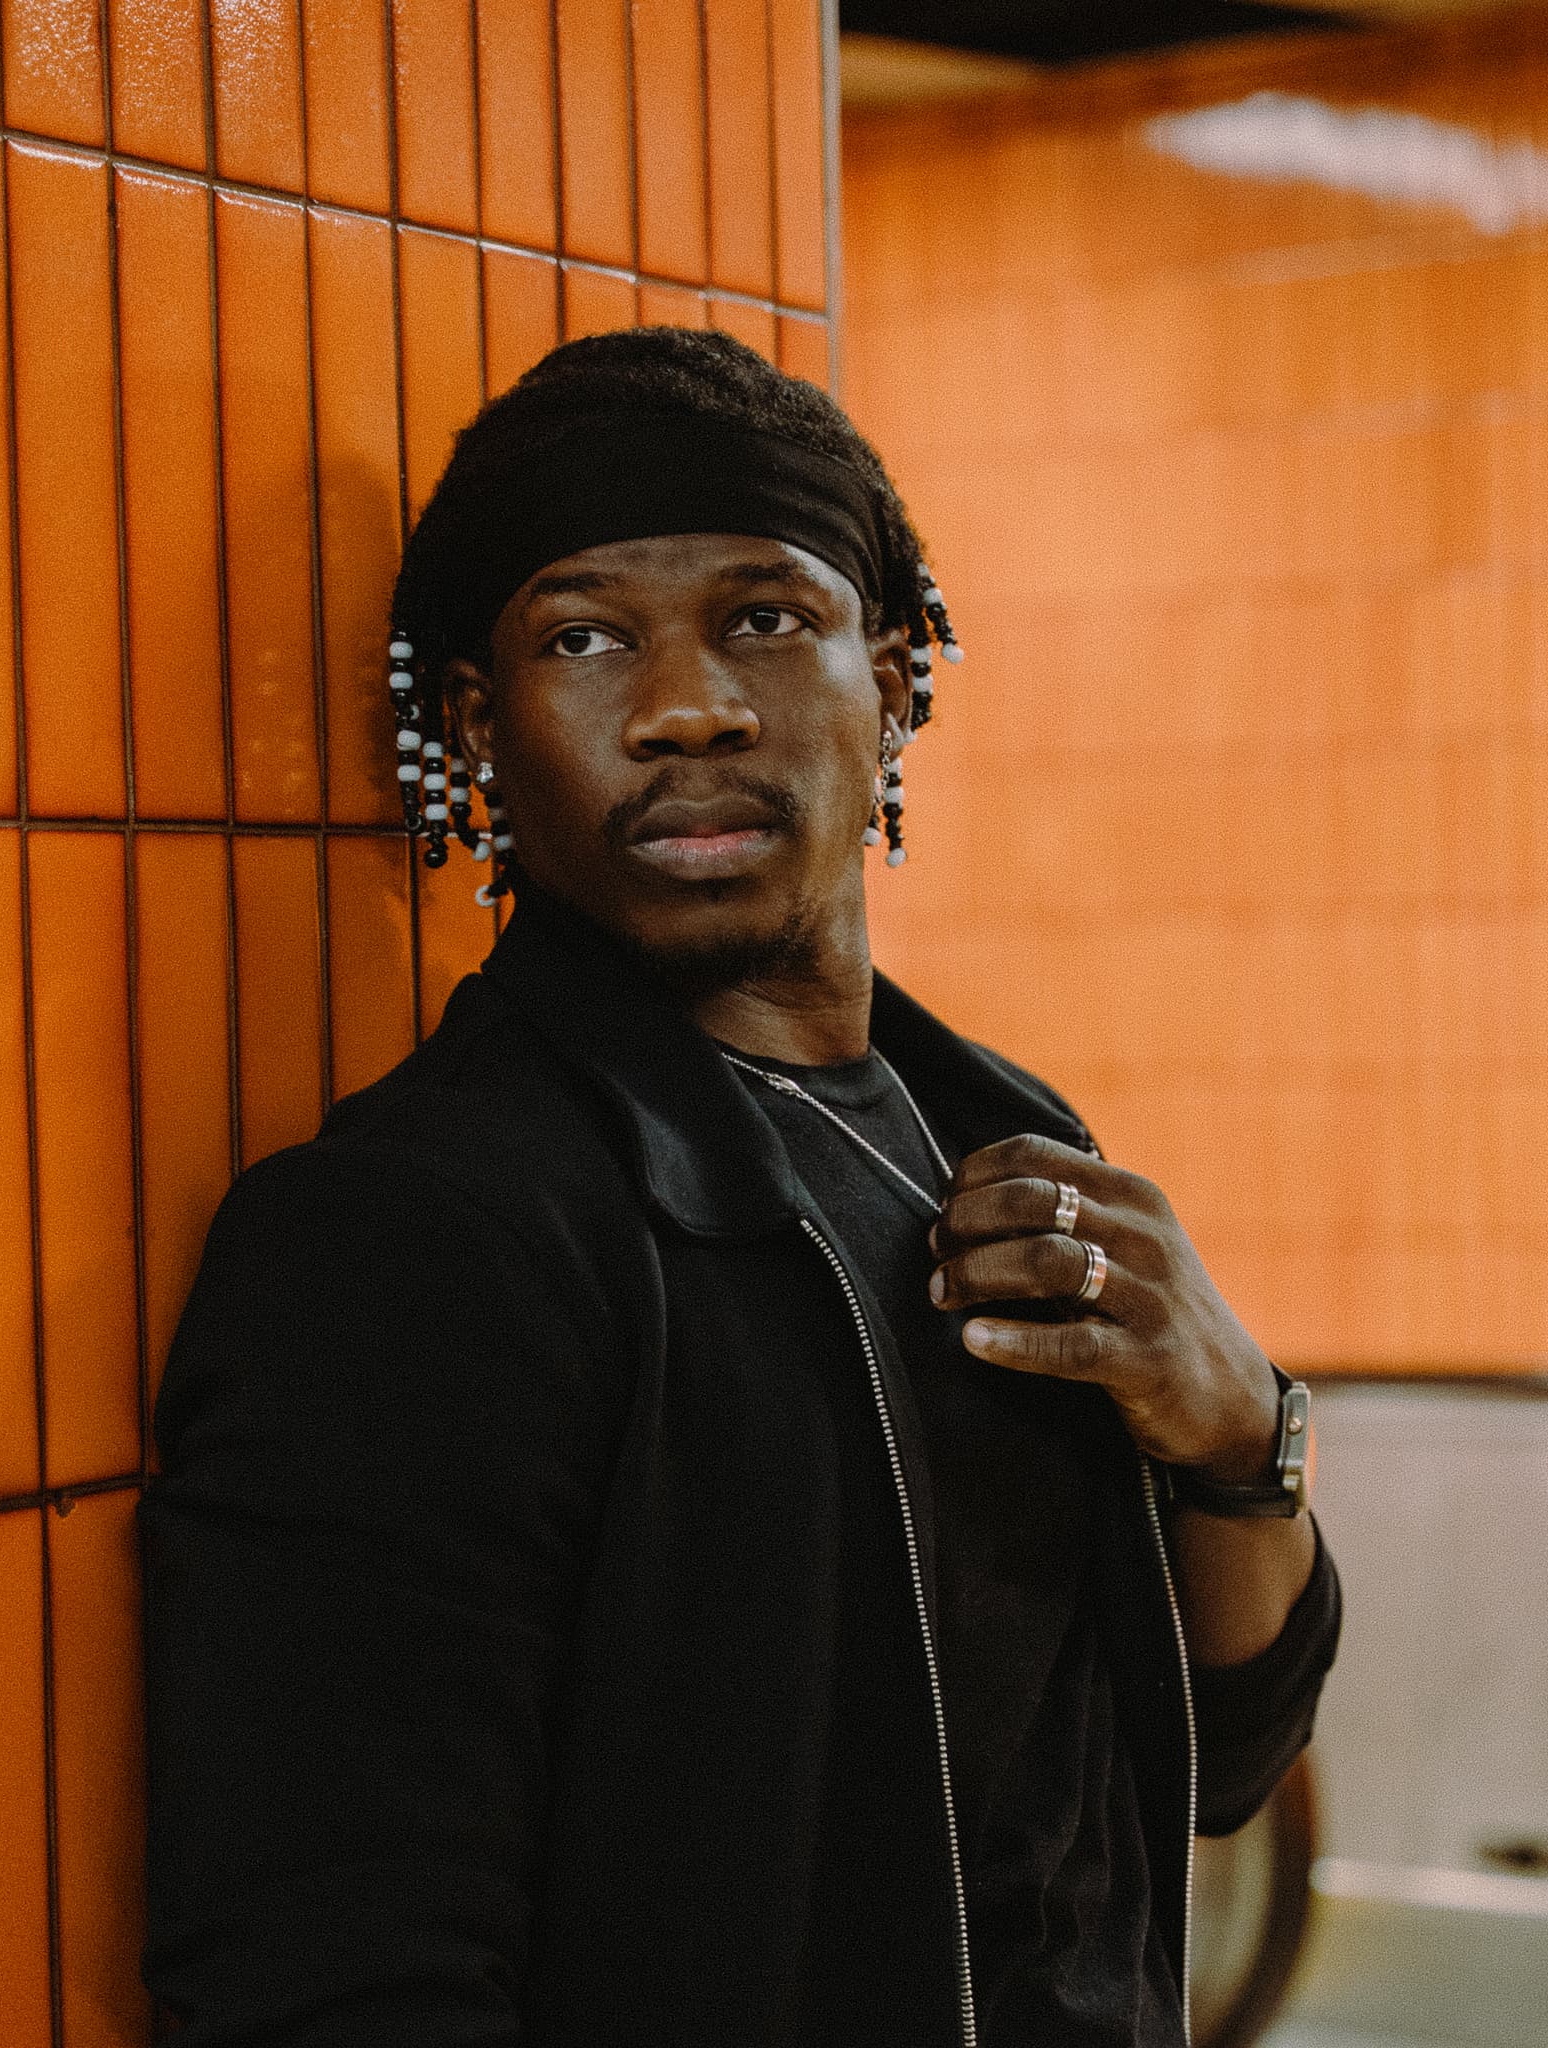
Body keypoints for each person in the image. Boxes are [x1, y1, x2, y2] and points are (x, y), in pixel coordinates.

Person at [140, 327, 1339, 2048]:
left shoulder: (996, 1147)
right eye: (583, 638)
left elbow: (1207, 1762)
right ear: (480, 724)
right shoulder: (420, 1235)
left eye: (764, 619)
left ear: (895, 682)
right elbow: (329, 1978)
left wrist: (1238, 1439)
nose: (686, 706)